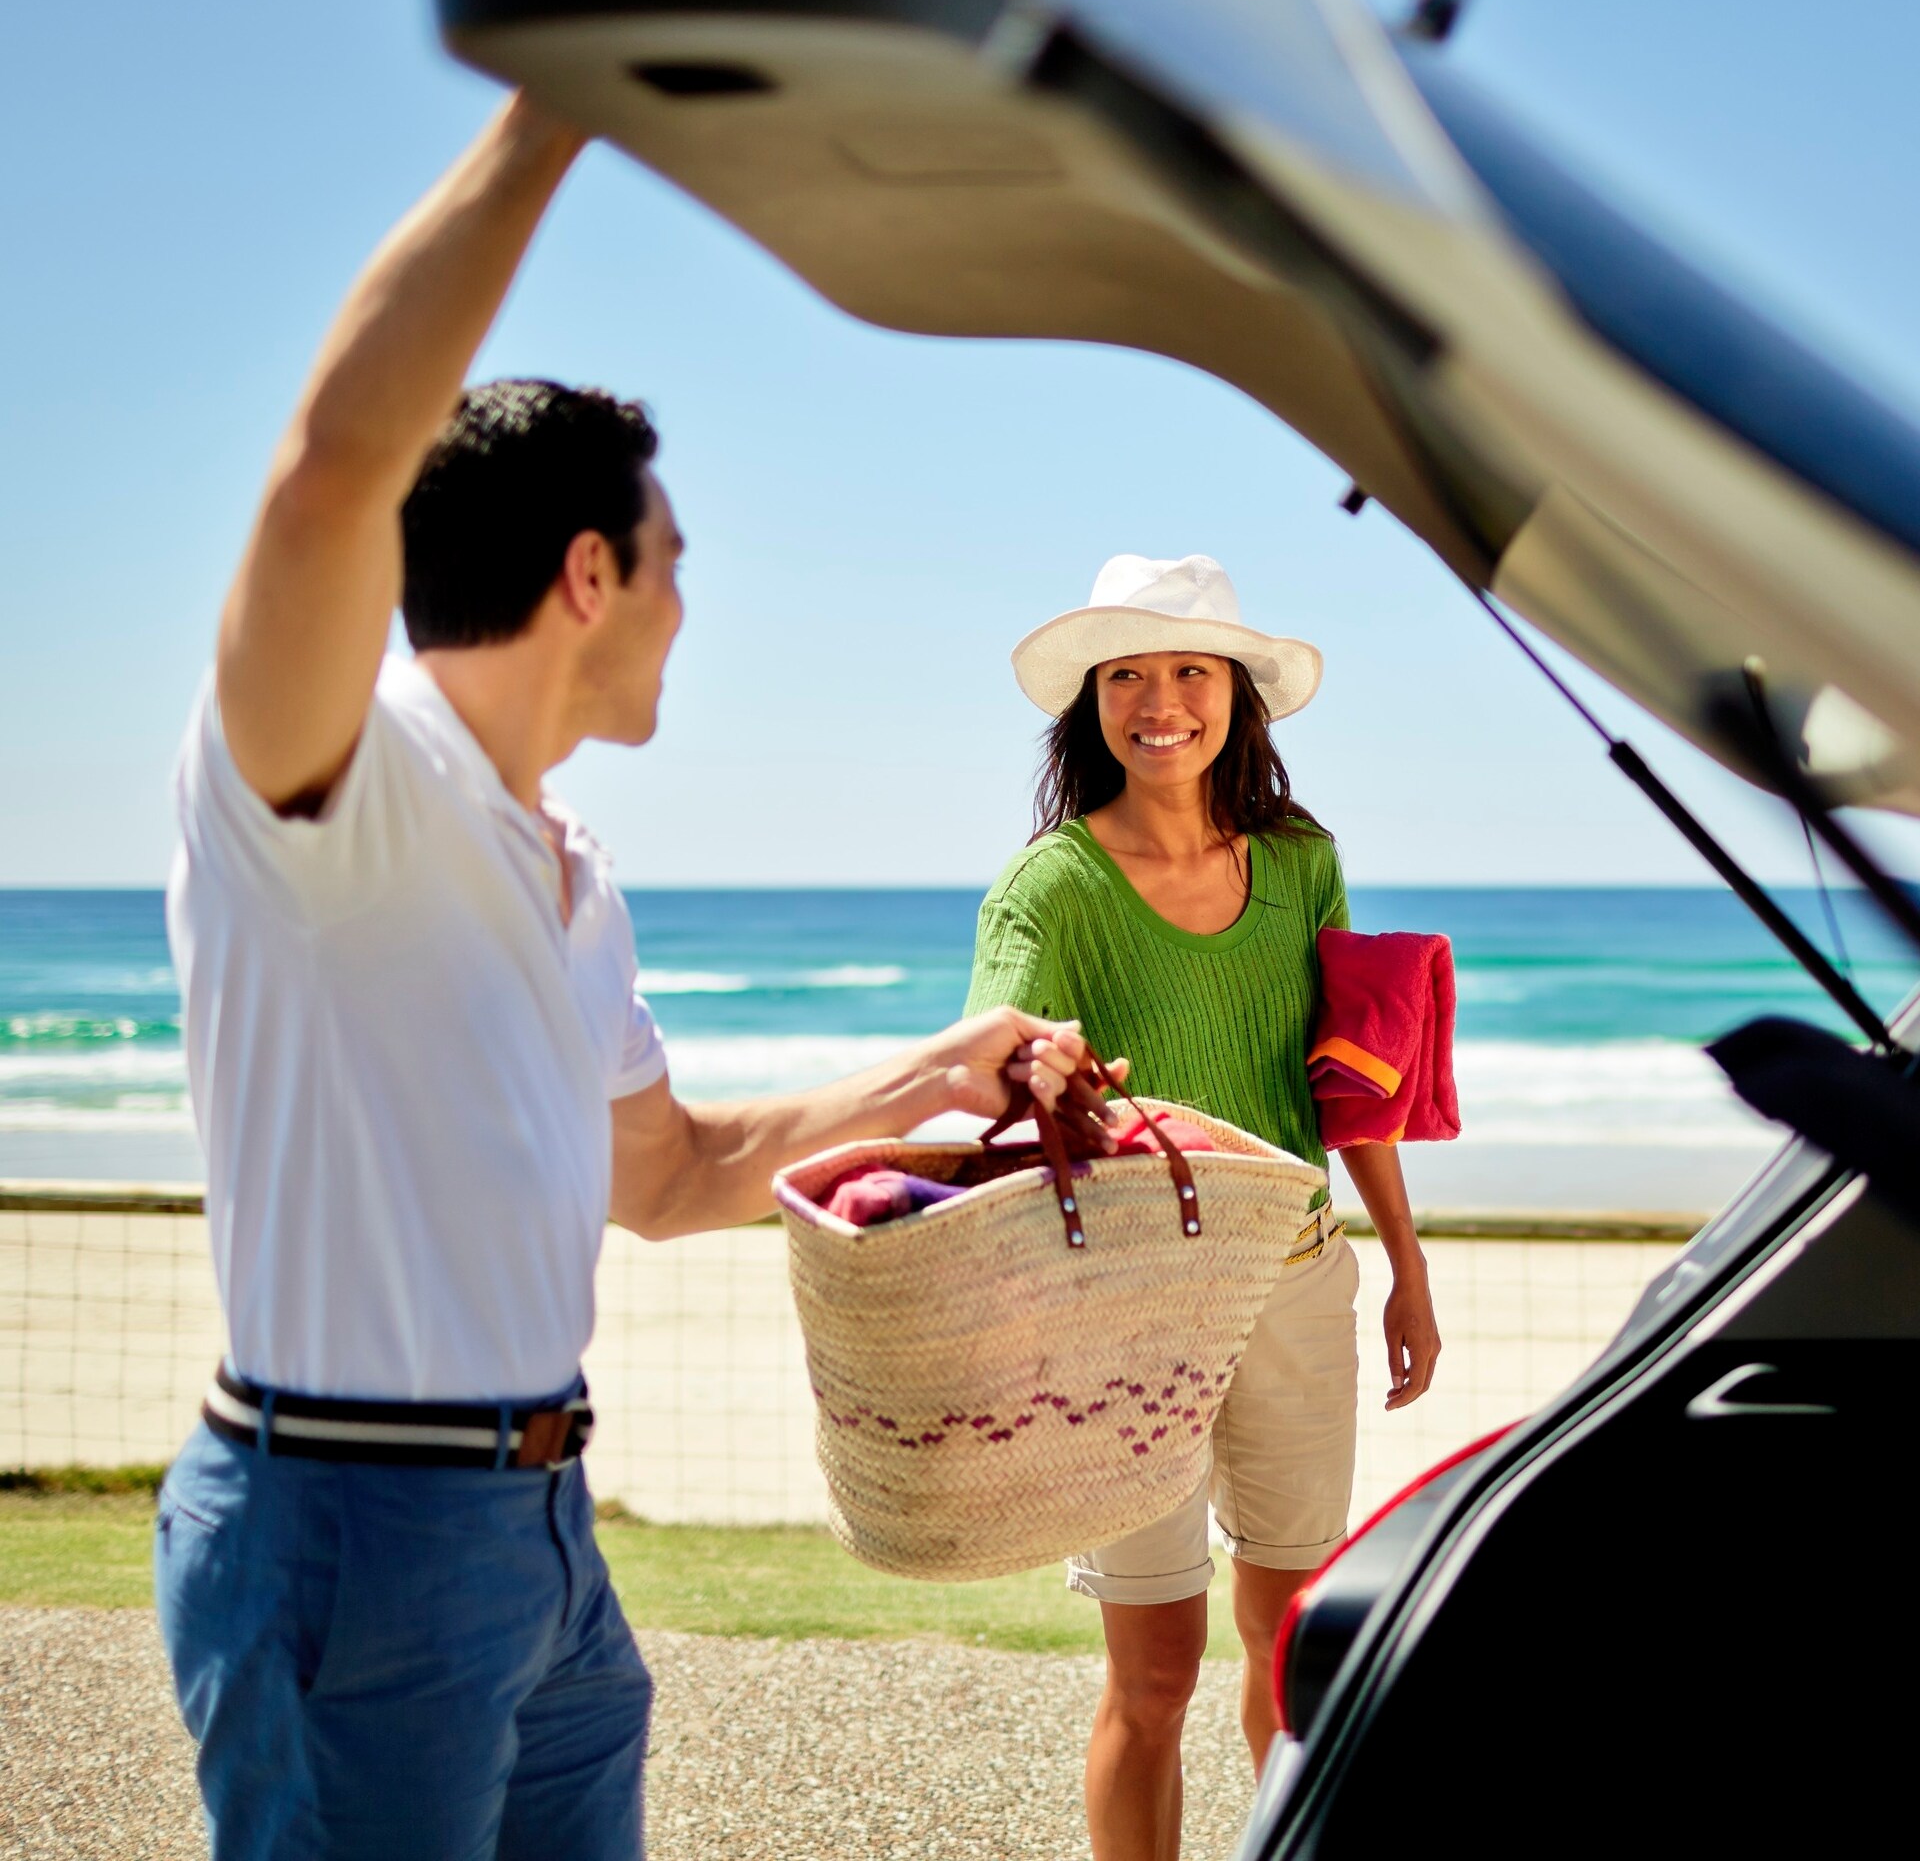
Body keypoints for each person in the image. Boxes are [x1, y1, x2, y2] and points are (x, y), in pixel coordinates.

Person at [157, 94, 1107, 1861]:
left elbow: (666, 1177)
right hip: (355, 1527)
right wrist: (552, 118)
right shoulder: (330, 787)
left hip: (538, 1531)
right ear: (589, 574)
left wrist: (940, 1073)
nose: (688, 608)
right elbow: (331, 472)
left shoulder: (571, 870)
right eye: (675, 567)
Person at [965, 553, 1442, 1861]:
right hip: (1128, 1311)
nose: (1160, 701)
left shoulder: (1302, 862)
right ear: (1093, 702)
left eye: (1189, 671)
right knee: (1155, 1672)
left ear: (1237, 694)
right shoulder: (1052, 885)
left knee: (1294, 1647)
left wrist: (1406, 1266)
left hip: (1298, 1277)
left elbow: (1351, 1083)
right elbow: (993, 1047)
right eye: (1127, 674)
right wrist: (1035, 1071)